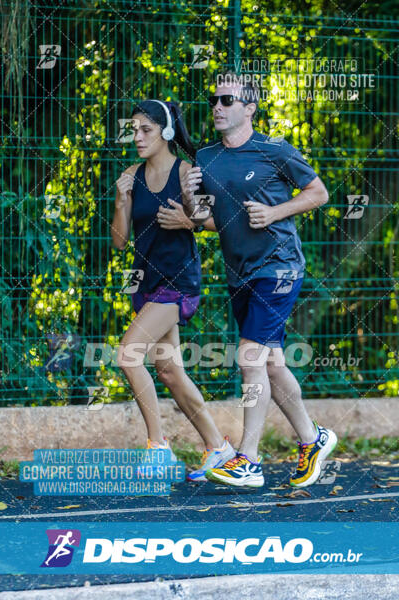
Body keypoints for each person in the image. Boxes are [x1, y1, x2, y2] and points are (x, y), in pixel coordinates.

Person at [179, 72, 337, 488]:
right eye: (214, 99)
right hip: (240, 271)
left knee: (250, 357)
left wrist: (275, 212)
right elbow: (207, 221)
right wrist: (190, 198)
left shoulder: (274, 149)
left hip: (280, 266)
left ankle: (248, 458)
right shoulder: (207, 157)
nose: (217, 106)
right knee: (270, 360)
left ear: (250, 108)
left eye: (228, 100)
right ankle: (313, 438)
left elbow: (318, 193)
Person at [111, 99, 235, 481]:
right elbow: (118, 242)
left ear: (165, 132)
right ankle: (220, 449)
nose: (137, 136)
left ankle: (157, 446)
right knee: (168, 371)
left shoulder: (187, 172)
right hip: (146, 284)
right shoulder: (131, 174)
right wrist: (122, 199)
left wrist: (190, 220)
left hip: (178, 283)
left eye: (145, 129)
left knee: (129, 356)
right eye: (133, 130)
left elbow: (215, 222)